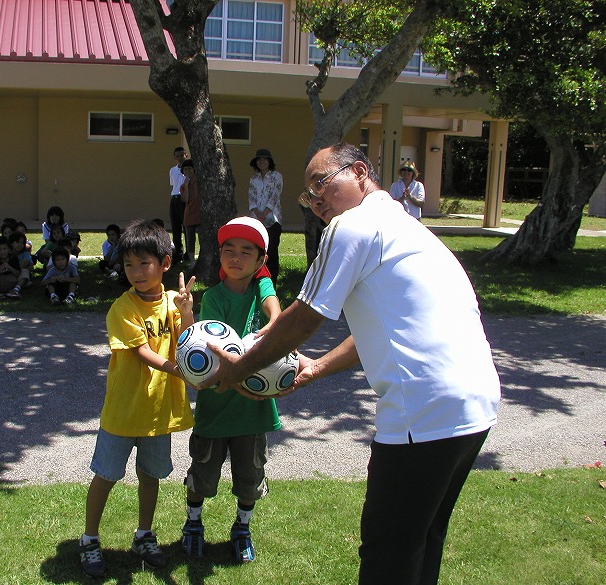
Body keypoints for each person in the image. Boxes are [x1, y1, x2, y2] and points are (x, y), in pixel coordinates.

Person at [204, 142, 501, 585]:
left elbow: (305, 316)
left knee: (388, 550)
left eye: (321, 182)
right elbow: (385, 331)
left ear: (360, 171)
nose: (316, 200)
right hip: (473, 406)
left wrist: (237, 369)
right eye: (308, 195)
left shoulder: (354, 224)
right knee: (422, 540)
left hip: (421, 408)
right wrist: (316, 368)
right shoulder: (404, 227)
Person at [79, 219, 196, 579]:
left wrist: (188, 308)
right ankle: (89, 539)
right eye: (128, 265)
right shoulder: (122, 308)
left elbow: (189, 339)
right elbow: (143, 353)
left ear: (164, 263)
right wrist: (180, 371)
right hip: (122, 412)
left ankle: (144, 536)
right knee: (106, 475)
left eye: (143, 264)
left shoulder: (173, 303)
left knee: (150, 475)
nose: (135, 272)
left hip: (159, 413)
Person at [180, 216, 281, 564]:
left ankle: (242, 528)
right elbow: (215, 349)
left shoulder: (261, 289)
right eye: (228, 250)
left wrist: (270, 329)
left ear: (260, 261)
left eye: (246, 251)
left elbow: (274, 312)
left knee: (250, 477)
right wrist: (244, 369)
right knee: (203, 475)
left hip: (253, 412)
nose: (235, 257)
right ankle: (193, 523)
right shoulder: (214, 297)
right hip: (217, 404)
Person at [248, 148, 283, 284]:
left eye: (264, 159)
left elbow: (275, 195)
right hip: (256, 219)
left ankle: (271, 282)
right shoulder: (253, 178)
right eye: (259, 160)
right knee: (257, 251)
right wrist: (257, 213)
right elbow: (251, 196)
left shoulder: (276, 176)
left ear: (269, 161)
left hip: (273, 219)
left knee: (272, 252)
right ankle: (257, 280)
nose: (262, 162)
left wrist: (266, 212)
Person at [180, 159, 202, 269]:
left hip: (201, 214)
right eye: (185, 169)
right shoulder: (183, 186)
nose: (188, 171)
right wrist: (187, 184)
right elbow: (186, 199)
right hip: (189, 214)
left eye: (189, 168)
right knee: (190, 239)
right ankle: (192, 261)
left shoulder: (200, 182)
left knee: (202, 238)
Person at [168, 146, 188, 263]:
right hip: (174, 199)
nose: (180, 158)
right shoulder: (172, 170)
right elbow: (173, 185)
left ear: (186, 155)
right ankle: (178, 252)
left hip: (184, 200)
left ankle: (187, 253)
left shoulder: (189, 170)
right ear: (175, 158)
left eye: (182, 155)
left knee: (186, 227)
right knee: (175, 227)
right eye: (177, 156)